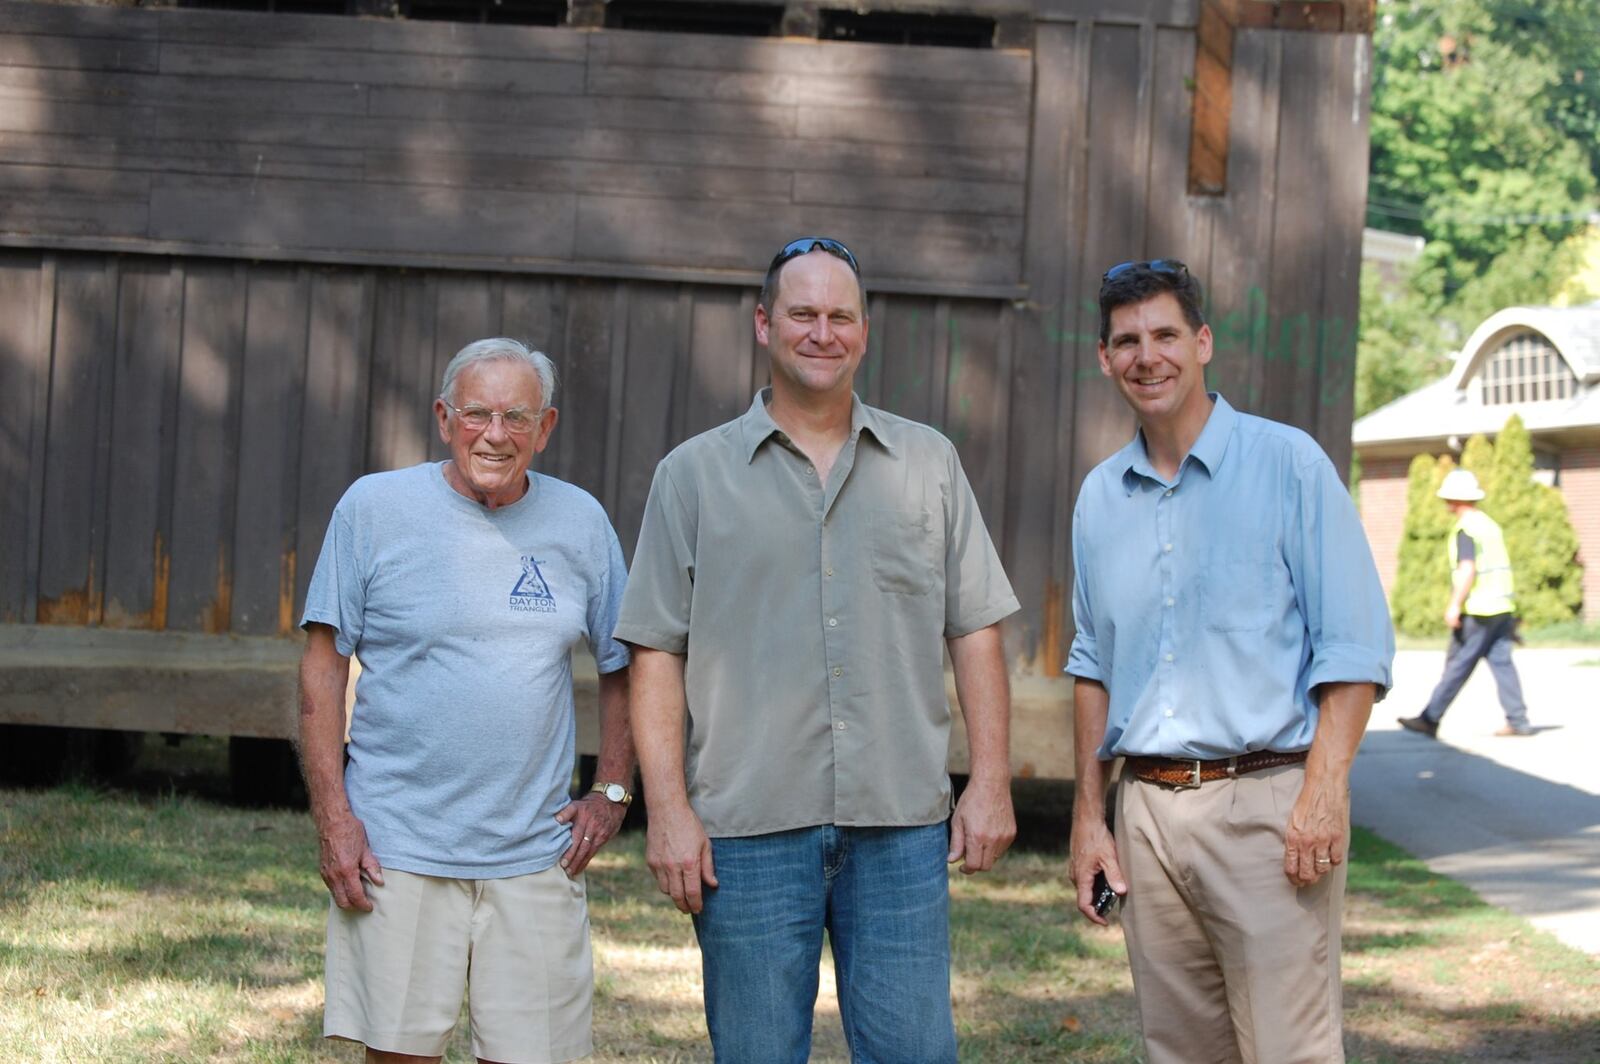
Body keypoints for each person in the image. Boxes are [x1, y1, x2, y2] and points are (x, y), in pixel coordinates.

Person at [614, 237, 1020, 1062]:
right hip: (747, 832)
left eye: (842, 316)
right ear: (765, 325)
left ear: (865, 332)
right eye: (803, 314)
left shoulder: (929, 463)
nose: (822, 333)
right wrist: (667, 812)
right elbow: (656, 651)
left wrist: (992, 780)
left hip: (900, 826)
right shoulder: (691, 476)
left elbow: (975, 627)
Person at [1065, 260, 1394, 1064]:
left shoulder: (1290, 466)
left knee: (1289, 1051)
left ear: (1203, 342)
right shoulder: (1100, 498)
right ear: (1105, 358)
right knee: (1177, 1051)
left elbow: (1354, 647)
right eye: (1128, 341)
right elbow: (1092, 666)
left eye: (1167, 335)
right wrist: (1088, 817)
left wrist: (1322, 794)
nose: (1149, 356)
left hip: (1268, 812)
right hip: (1147, 814)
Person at [297, 337, 636, 1064]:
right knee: (400, 1056)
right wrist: (335, 818)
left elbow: (623, 664)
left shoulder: (580, 521)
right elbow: (323, 667)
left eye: (518, 417)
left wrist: (611, 789)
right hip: (398, 848)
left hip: (536, 854)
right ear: (444, 418)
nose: (495, 434)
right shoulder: (373, 508)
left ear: (545, 428)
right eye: (478, 414)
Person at [1398, 469, 1533, 738]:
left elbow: (1467, 568)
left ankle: (1430, 718)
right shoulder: (1489, 525)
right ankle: (1518, 720)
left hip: (1479, 609)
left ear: (1454, 499)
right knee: (1502, 663)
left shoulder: (1466, 529)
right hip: (1502, 607)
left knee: (1458, 664)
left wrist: (1454, 605)